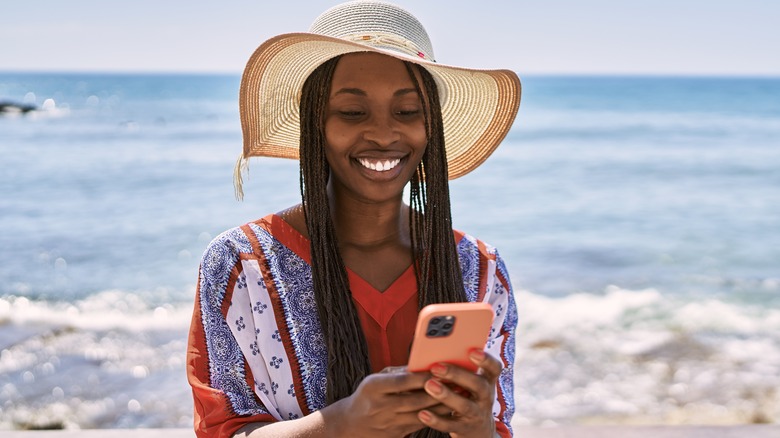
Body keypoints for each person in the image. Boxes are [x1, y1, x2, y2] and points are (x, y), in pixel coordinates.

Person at [186, 1, 521, 437]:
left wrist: (478, 429)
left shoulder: (478, 269)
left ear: (431, 125)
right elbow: (223, 431)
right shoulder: (242, 264)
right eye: (351, 112)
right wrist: (342, 424)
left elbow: (497, 427)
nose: (383, 134)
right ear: (315, 122)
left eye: (407, 111)